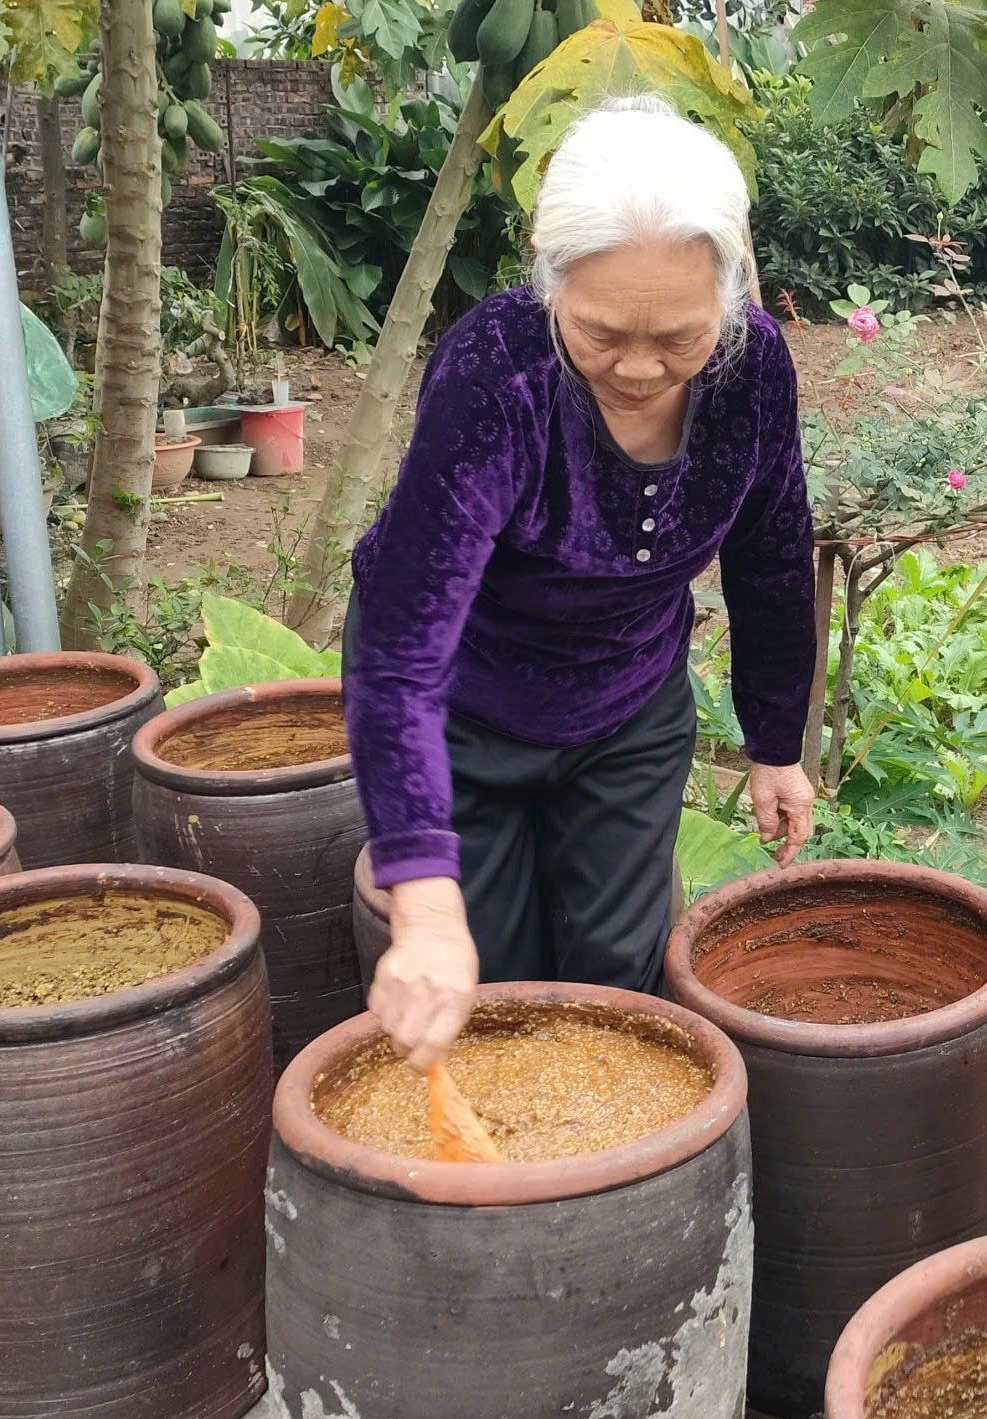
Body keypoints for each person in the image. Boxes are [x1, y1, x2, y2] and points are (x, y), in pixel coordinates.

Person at [343, 95, 817, 1070]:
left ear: (727, 296)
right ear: (550, 278)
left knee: (618, 980)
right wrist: (427, 905)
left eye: (679, 337)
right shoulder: (494, 374)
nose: (639, 367)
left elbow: (772, 549)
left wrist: (775, 744)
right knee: (495, 984)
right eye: (601, 331)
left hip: (627, 705)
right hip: (466, 712)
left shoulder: (753, 367)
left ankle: (605, 1196)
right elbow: (400, 654)